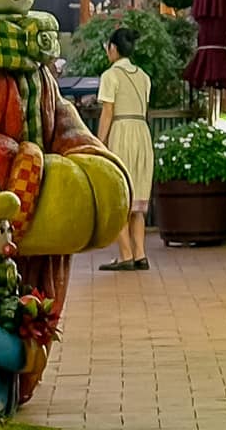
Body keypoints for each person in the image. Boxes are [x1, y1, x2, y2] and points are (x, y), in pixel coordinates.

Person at [96, 25, 153, 271]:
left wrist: (99, 143)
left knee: (120, 198)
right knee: (138, 200)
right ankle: (140, 254)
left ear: (114, 48)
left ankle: (125, 255)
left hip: (121, 131)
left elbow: (108, 111)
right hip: (142, 133)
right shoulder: (143, 76)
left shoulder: (111, 75)